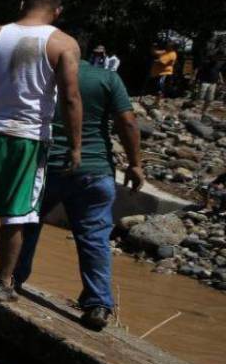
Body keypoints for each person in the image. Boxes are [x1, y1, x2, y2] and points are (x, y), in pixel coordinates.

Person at [0, 0, 83, 299]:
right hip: (27, 139)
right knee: (17, 214)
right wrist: (76, 146)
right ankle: (4, 281)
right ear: (57, 11)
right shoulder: (63, 43)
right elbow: (70, 98)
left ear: (23, 4)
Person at [13, 55, 144, 329]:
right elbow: (128, 122)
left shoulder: (41, 76)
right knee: (94, 237)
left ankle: (13, 279)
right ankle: (98, 304)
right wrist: (135, 164)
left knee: (27, 224)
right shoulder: (107, 78)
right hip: (95, 171)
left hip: (44, 165)